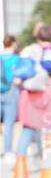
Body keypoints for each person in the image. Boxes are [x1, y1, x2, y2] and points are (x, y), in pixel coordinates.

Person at [16, 24, 51, 159]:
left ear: (37, 35)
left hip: (32, 90)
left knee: (29, 125)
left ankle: (20, 160)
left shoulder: (28, 50)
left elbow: (21, 69)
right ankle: (50, 159)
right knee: (50, 124)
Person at [1, 35, 21, 163]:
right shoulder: (17, 59)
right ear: (13, 44)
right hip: (11, 91)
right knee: (9, 124)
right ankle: (8, 152)